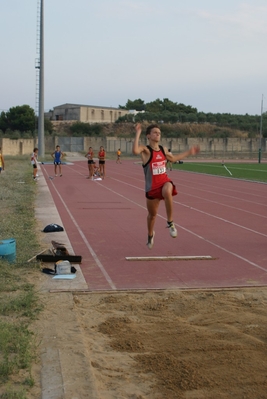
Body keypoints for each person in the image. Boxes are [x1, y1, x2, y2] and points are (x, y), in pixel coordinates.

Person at [133, 123, 200, 249]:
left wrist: (189, 152)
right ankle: (150, 234)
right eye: (155, 132)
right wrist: (137, 132)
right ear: (148, 135)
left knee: (168, 189)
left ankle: (170, 222)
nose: (158, 134)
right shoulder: (146, 150)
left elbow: (173, 159)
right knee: (152, 216)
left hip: (164, 182)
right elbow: (135, 150)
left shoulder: (163, 150)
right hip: (152, 188)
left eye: (159, 132)